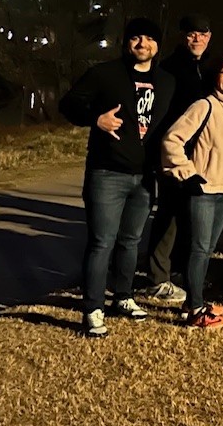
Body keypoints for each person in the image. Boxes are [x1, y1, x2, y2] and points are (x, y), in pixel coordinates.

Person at [59, 17, 176, 338]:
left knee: (131, 241)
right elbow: (67, 104)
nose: (142, 44)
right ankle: (93, 307)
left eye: (149, 39)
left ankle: (122, 297)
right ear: (126, 43)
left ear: (158, 45)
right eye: (136, 38)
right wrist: (95, 118)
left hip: (146, 176)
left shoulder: (167, 82)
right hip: (107, 173)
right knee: (101, 242)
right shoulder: (104, 74)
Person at [160, 54, 223, 329]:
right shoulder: (204, 105)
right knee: (198, 249)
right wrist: (187, 173)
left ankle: (193, 300)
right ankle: (196, 309)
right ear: (215, 76)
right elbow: (172, 138)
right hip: (203, 189)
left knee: (207, 249)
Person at [141, 13, 214, 304]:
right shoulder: (168, 69)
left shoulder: (212, 68)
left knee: (193, 216)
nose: (197, 39)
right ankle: (158, 277)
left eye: (202, 34)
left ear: (210, 37)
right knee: (169, 214)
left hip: (205, 152)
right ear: (183, 37)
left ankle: (187, 272)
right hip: (175, 152)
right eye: (191, 34)